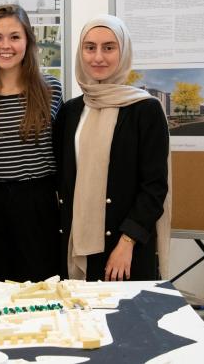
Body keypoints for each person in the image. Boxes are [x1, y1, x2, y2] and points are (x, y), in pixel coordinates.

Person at [53, 14, 171, 282]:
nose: (98, 57)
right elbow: (64, 180)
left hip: (125, 249)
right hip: (77, 245)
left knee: (124, 322)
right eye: (89, 47)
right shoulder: (71, 111)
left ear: (123, 51)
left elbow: (154, 187)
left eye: (109, 47)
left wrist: (127, 243)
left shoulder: (145, 109)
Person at [0, 4, 63, 282]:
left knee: (40, 288)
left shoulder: (51, 89)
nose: (5, 45)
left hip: (37, 203)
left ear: (28, 40)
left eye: (14, 37)